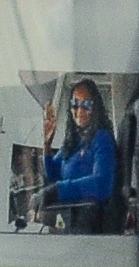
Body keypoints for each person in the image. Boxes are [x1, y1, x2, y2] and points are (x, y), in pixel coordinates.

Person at [45, 79, 120, 229]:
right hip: (68, 218)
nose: (80, 111)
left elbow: (102, 184)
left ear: (95, 107)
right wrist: (46, 144)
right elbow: (53, 174)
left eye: (86, 105)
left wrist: (59, 189)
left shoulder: (102, 138)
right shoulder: (74, 140)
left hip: (89, 222)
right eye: (75, 104)